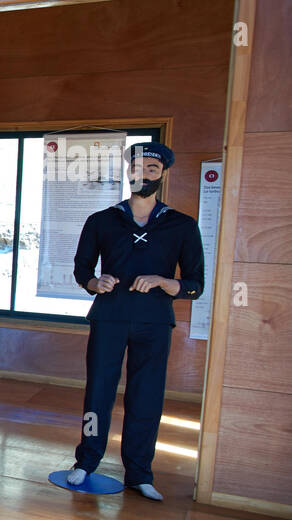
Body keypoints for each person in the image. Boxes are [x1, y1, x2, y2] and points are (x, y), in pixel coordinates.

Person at [66, 142, 205, 500]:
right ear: (127, 172)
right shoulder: (101, 220)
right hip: (109, 318)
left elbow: (195, 284)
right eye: (136, 168)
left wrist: (163, 281)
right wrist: (96, 283)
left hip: (155, 323)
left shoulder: (182, 225)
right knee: (98, 392)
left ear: (162, 175)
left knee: (147, 397)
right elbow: (82, 270)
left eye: (151, 170)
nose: (142, 174)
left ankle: (140, 473)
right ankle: (86, 462)